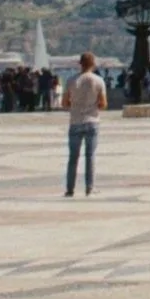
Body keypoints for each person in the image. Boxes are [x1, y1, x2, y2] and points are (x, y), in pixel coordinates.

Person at [63, 52, 106, 197]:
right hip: (92, 121)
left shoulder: (71, 80)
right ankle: (89, 187)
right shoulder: (98, 81)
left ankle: (70, 189)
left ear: (80, 64)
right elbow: (103, 103)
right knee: (90, 156)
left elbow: (64, 103)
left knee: (73, 157)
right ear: (93, 64)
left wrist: (75, 105)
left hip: (75, 121)